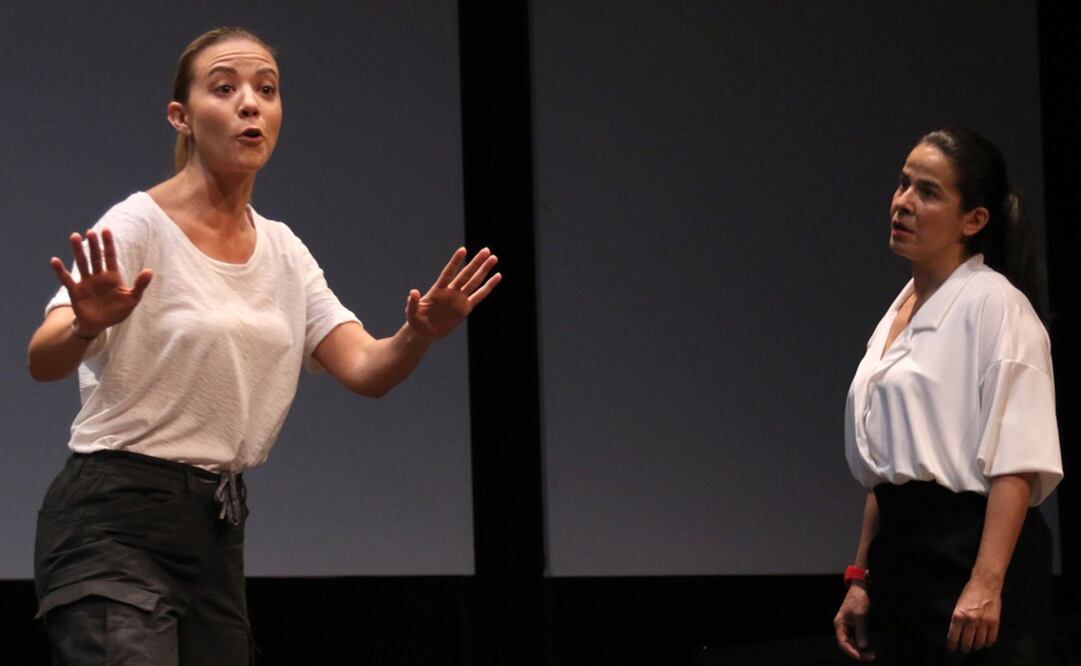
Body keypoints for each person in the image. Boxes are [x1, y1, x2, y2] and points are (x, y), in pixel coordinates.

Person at [27, 26, 500, 665]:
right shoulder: (139, 223)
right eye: (225, 89)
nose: (251, 103)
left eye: (266, 90)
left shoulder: (283, 250)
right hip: (113, 519)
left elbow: (366, 368)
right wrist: (85, 323)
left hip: (214, 529)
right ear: (182, 117)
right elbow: (43, 359)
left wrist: (418, 333)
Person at [833, 128, 1062, 664]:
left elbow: (1017, 462)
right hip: (903, 560)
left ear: (974, 220)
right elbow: (889, 467)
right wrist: (861, 576)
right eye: (903, 183)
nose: (903, 202)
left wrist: (986, 583)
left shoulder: (997, 308)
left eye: (928, 192)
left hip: (969, 557)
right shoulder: (900, 311)